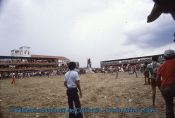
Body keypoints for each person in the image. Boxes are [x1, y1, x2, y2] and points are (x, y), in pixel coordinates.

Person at [157, 49, 175, 118]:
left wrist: (160, 88)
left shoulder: (161, 66)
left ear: (164, 57)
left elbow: (157, 79)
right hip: (173, 86)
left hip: (165, 88)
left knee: (169, 107)